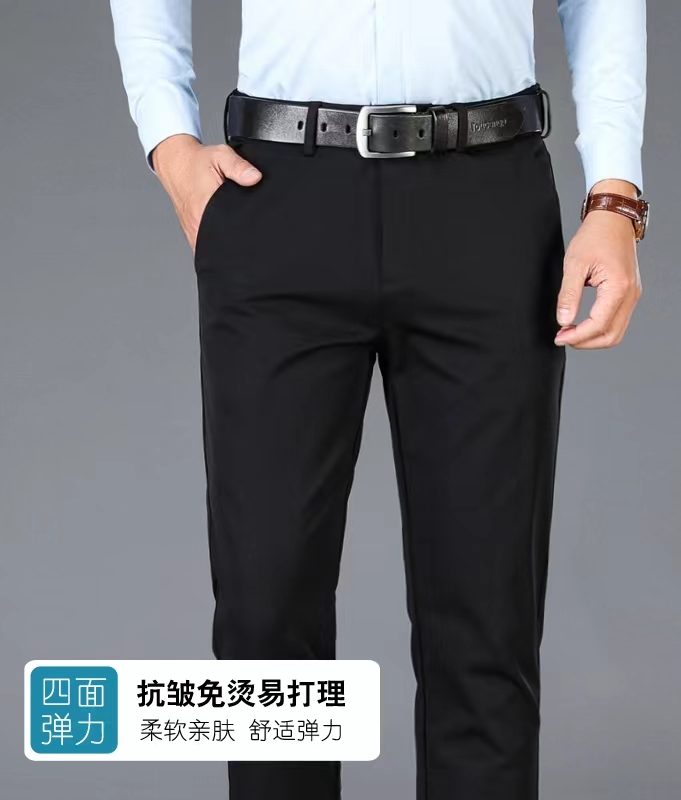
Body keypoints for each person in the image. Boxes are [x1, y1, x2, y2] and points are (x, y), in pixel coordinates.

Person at [110, 1, 648, 798]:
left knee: (487, 627)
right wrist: (168, 140)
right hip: (281, 193)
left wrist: (615, 196)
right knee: (263, 618)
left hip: (486, 196)